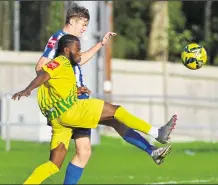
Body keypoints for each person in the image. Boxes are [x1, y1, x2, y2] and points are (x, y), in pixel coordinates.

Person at [12, 34, 177, 184]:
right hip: (71, 111)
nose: (79, 53)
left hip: (58, 121)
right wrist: (28, 89)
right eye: (77, 50)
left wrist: (76, 91)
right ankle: (157, 133)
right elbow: (43, 74)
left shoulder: (66, 67)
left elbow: (55, 88)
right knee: (116, 111)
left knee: (53, 164)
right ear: (66, 49)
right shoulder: (60, 61)